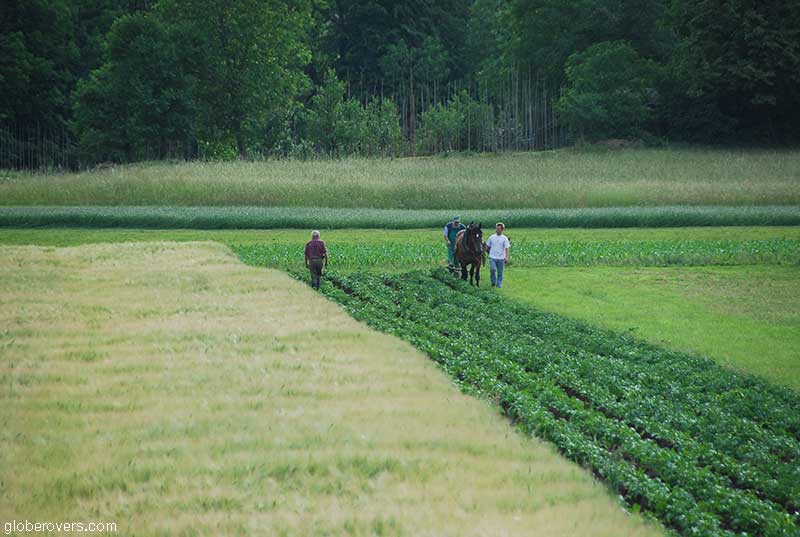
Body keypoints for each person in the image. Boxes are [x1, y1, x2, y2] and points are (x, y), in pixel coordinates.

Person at [485, 222, 510, 288]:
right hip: (492, 257)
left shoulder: (504, 238)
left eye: (498, 229)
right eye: (496, 228)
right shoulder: (492, 237)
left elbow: (507, 248)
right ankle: (493, 282)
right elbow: (487, 246)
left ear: (502, 229)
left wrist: (506, 257)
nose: (497, 230)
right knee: (492, 269)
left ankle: (499, 284)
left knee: (500, 272)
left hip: (501, 258)